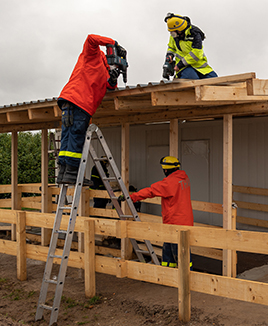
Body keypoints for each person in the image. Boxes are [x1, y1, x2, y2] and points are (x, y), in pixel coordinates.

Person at [56, 34, 126, 185]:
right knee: (76, 137)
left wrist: (114, 78)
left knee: (67, 137)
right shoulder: (93, 55)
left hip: (69, 101)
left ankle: (63, 173)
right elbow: (91, 38)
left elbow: (109, 86)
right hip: (80, 101)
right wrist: (113, 43)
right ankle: (72, 174)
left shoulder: (106, 70)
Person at [128, 156, 194, 267]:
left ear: (166, 170)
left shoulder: (169, 182)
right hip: (185, 221)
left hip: (174, 223)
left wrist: (132, 197)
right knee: (179, 250)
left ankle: (184, 279)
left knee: (178, 253)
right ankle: (171, 274)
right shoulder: (184, 178)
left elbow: (151, 191)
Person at [163, 13, 218, 80]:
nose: (171, 34)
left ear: (179, 30)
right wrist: (169, 55)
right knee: (193, 80)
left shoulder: (195, 34)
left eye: (173, 32)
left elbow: (196, 54)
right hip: (184, 68)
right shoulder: (175, 36)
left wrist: (179, 64)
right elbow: (171, 48)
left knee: (215, 81)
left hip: (200, 66)